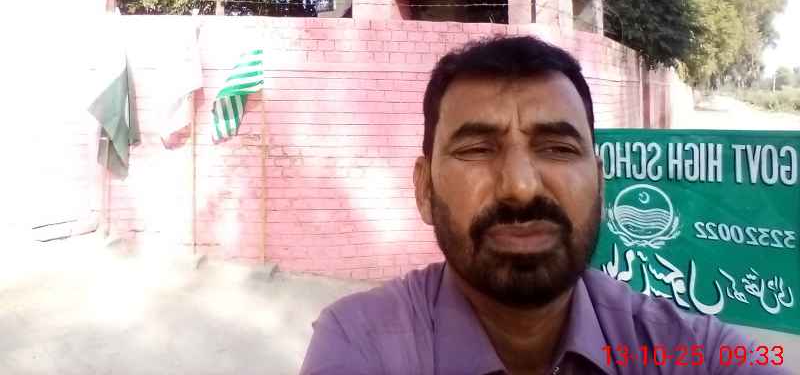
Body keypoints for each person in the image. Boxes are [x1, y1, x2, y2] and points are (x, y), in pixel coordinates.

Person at [300, 35, 785, 375]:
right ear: (425, 190)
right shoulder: (360, 344)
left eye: (557, 148)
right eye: (477, 149)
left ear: (600, 183)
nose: (520, 187)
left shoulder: (692, 352)